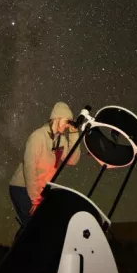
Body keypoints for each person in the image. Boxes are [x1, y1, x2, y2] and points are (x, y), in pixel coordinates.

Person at [8, 101, 81, 241]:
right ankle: (21, 257)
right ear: (57, 118)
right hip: (22, 188)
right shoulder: (38, 136)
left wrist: (73, 135)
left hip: (39, 190)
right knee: (35, 227)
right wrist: (35, 200)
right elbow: (29, 168)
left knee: (38, 226)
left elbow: (72, 160)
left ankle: (23, 253)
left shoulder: (61, 140)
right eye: (66, 121)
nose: (67, 125)